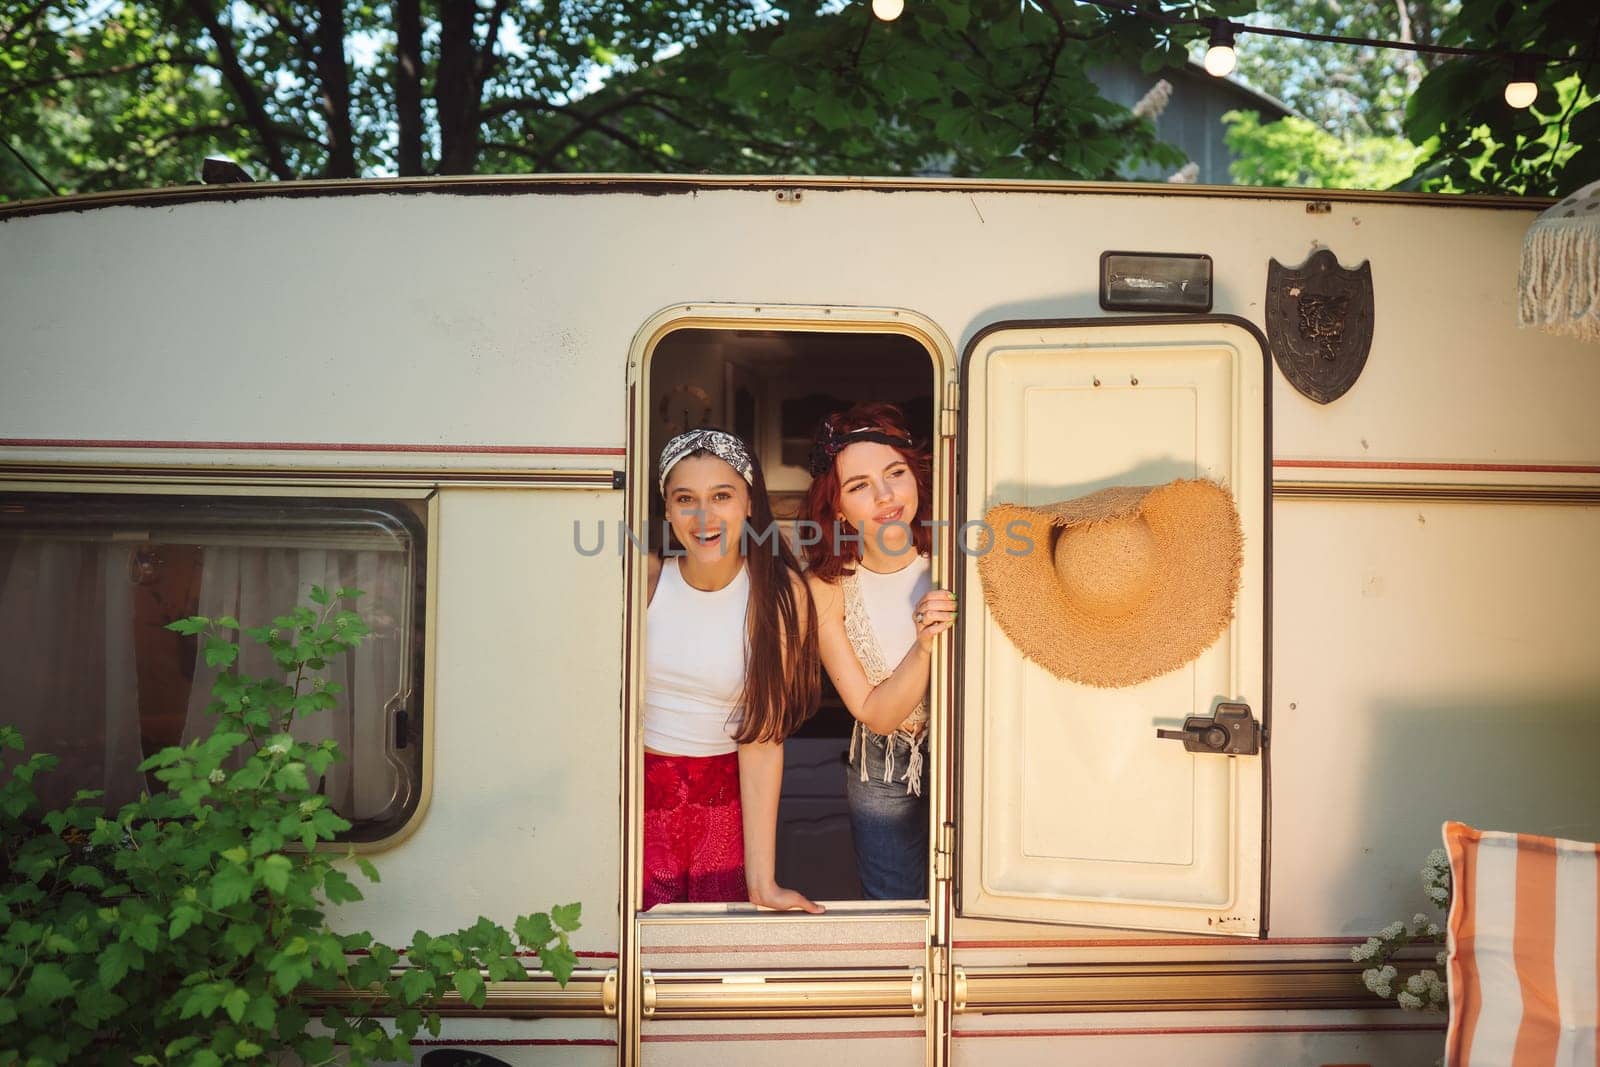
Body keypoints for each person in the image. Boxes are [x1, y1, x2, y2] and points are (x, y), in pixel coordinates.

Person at [644, 428, 823, 913]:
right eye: (686, 499)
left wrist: (762, 882)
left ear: (749, 503)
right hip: (635, 795)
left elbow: (762, 740)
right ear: (666, 509)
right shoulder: (644, 581)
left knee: (707, 957)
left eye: (721, 495)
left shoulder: (781, 594)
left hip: (724, 804)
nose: (704, 517)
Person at [801, 404, 956, 900]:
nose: (885, 496)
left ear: (915, 477)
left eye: (895, 473)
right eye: (860, 485)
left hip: (968, 750)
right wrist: (925, 644)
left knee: (974, 897)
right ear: (839, 508)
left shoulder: (955, 561)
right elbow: (875, 714)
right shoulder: (826, 587)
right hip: (880, 765)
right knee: (894, 909)